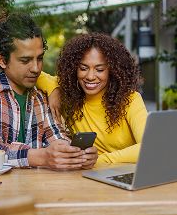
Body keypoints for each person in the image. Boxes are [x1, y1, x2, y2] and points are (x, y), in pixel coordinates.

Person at [0, 12, 98, 169]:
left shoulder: (41, 94)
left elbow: (56, 137)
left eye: (39, 58)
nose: (36, 68)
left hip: (22, 186)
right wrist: (42, 157)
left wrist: (75, 154)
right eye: (25, 60)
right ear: (2, 60)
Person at [37, 32, 148, 166]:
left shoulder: (130, 99)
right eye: (83, 68)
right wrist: (53, 89)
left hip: (125, 172)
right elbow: (32, 72)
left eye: (99, 70)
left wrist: (100, 160)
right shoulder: (70, 94)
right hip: (86, 177)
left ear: (112, 70)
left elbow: (149, 146)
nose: (90, 76)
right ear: (74, 68)